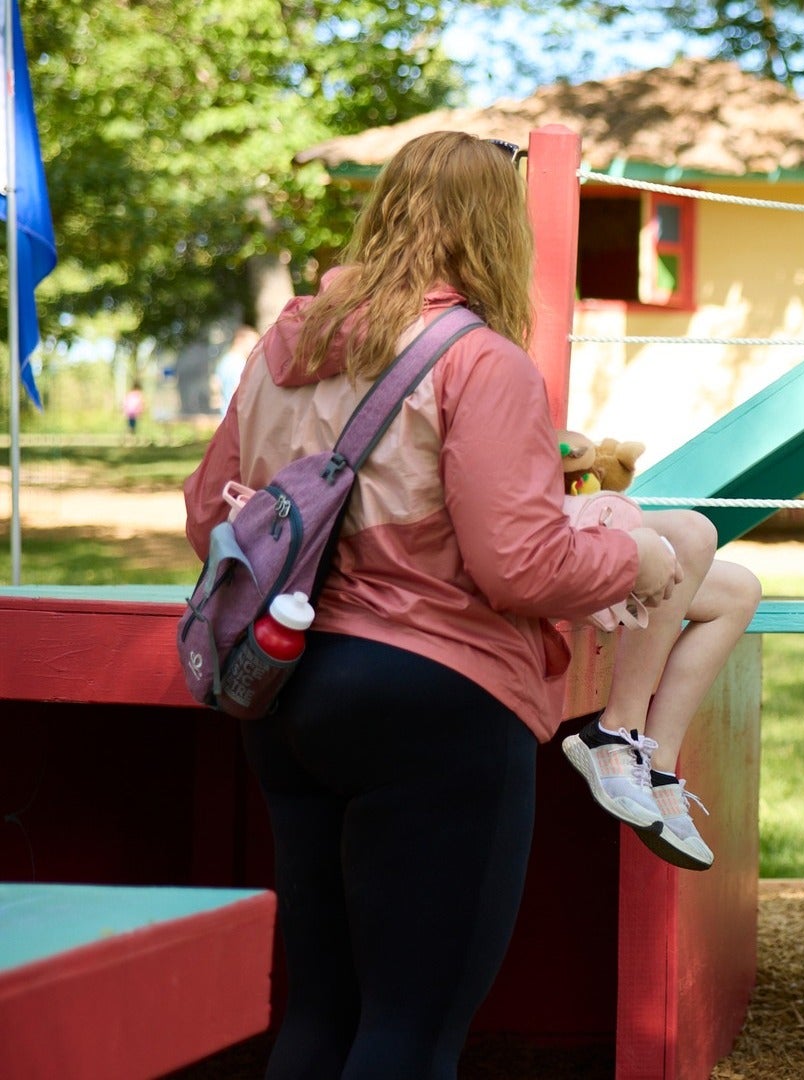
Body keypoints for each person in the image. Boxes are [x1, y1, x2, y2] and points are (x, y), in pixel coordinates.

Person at [183, 131, 684, 1080]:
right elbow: (520, 568)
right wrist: (637, 557)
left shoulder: (283, 346)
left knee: (316, 1018)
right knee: (409, 1036)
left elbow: (209, 514)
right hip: (435, 702)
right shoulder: (478, 361)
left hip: (283, 693)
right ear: (499, 229)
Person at [560, 553, 762, 870]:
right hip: (554, 550)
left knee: (741, 591)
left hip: (590, 543)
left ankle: (657, 768)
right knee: (688, 539)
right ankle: (614, 731)